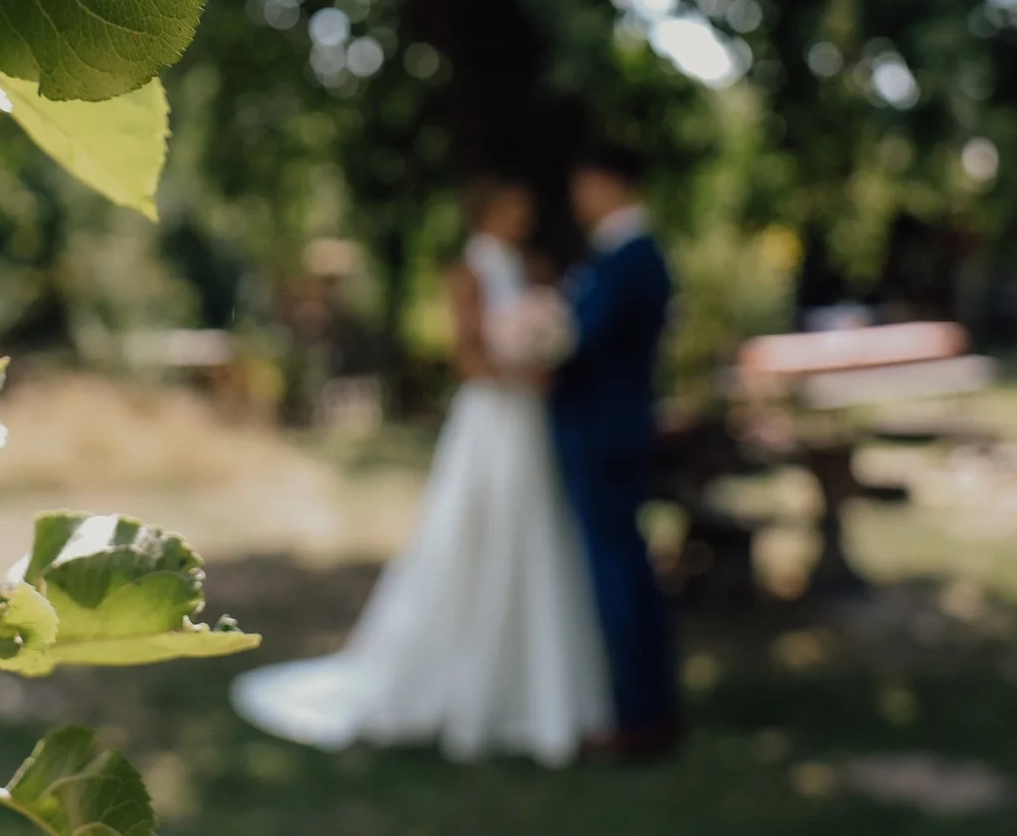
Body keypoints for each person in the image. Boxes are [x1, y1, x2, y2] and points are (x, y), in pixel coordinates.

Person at [231, 179, 612, 766]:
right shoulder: (469, 271)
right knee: (480, 530)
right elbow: (466, 357)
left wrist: (542, 354)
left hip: (529, 422)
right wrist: (521, 374)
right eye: (511, 207)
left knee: (537, 534)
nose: (522, 217)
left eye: (525, 209)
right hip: (493, 422)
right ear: (486, 210)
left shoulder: (529, 267)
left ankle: (541, 689)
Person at [552, 143, 684, 760]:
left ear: (608, 183)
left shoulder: (630, 258)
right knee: (624, 566)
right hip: (614, 429)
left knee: (620, 573)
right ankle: (642, 704)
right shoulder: (626, 257)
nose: (579, 198)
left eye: (584, 184)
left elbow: (577, 340)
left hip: (602, 433)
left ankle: (640, 716)